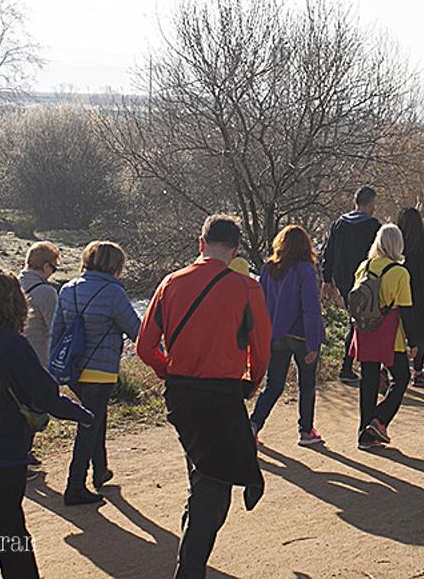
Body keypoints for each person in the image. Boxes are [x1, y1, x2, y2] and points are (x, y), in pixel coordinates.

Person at [136, 215, 272, 579]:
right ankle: (190, 569)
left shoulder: (170, 284)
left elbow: (144, 346)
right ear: (236, 249)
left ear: (201, 243)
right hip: (223, 395)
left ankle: (190, 555)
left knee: (203, 475)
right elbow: (261, 353)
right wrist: (252, 385)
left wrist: (168, 370)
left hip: (181, 395)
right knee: (212, 488)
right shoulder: (247, 289)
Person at [0, 268, 94, 578]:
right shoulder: (12, 344)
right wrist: (83, 414)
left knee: (10, 538)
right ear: (16, 304)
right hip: (3, 458)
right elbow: (44, 395)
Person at [50, 241, 141, 506]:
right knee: (89, 425)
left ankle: (100, 470)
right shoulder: (114, 293)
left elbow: (57, 333)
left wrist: (52, 372)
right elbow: (136, 331)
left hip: (74, 371)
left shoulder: (68, 290)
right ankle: (75, 485)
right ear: (115, 265)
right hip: (101, 372)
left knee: (94, 417)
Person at [249, 225, 325, 447]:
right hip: (301, 335)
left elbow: (260, 304)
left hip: (275, 334)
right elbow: (310, 308)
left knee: (273, 385)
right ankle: (306, 431)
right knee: (307, 384)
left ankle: (253, 424)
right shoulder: (306, 270)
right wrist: (314, 342)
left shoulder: (268, 269)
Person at [350, 224, 414, 450]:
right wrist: (413, 342)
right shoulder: (399, 273)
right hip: (389, 333)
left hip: (365, 329)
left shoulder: (363, 267)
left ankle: (364, 433)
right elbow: (405, 310)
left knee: (368, 380)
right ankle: (378, 420)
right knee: (402, 377)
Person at [321, 186, 382, 385]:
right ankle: (352, 365)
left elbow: (328, 252)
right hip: (367, 279)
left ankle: (348, 365)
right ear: (371, 203)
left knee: (353, 318)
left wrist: (327, 278)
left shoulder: (340, 223)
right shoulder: (373, 226)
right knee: (360, 321)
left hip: (344, 278)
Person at [397, 208, 424, 388]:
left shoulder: (396, 246)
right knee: (420, 334)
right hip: (419, 298)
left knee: (397, 334)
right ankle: (418, 371)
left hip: (398, 295)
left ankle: (391, 369)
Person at [19, 241, 60, 365]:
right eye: (54, 269)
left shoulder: (11, 286)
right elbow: (56, 330)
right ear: (46, 266)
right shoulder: (46, 292)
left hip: (10, 363)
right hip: (38, 362)